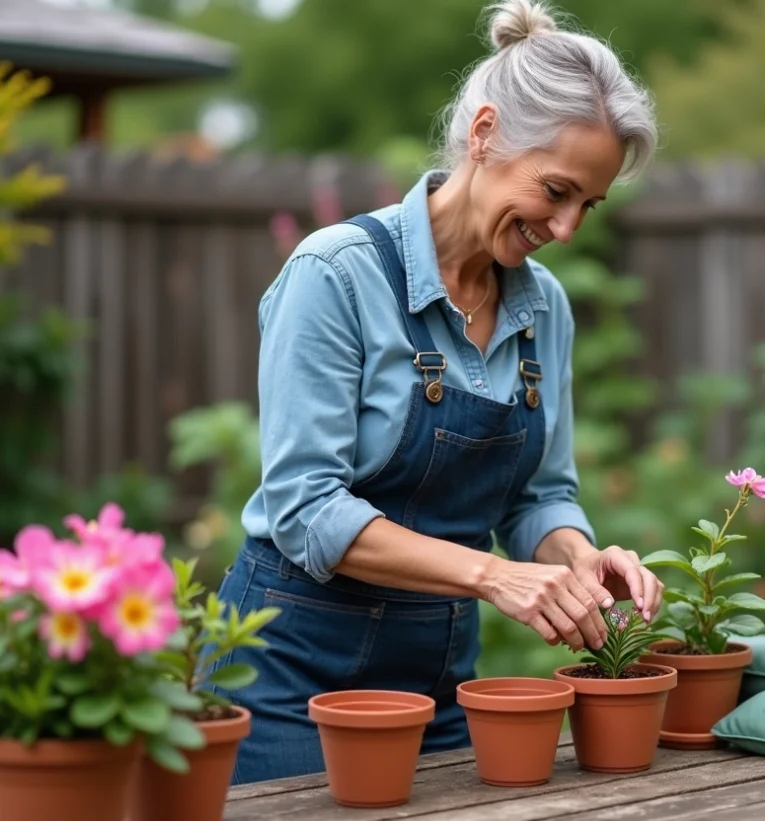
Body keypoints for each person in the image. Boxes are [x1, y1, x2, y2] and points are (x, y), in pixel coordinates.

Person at [211, 0, 665, 785]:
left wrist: (579, 560)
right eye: (555, 190)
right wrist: (493, 575)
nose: (566, 229)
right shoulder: (336, 276)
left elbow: (536, 497)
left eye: (587, 205)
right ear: (485, 133)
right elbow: (306, 506)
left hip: (439, 685)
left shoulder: (541, 307)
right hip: (286, 676)